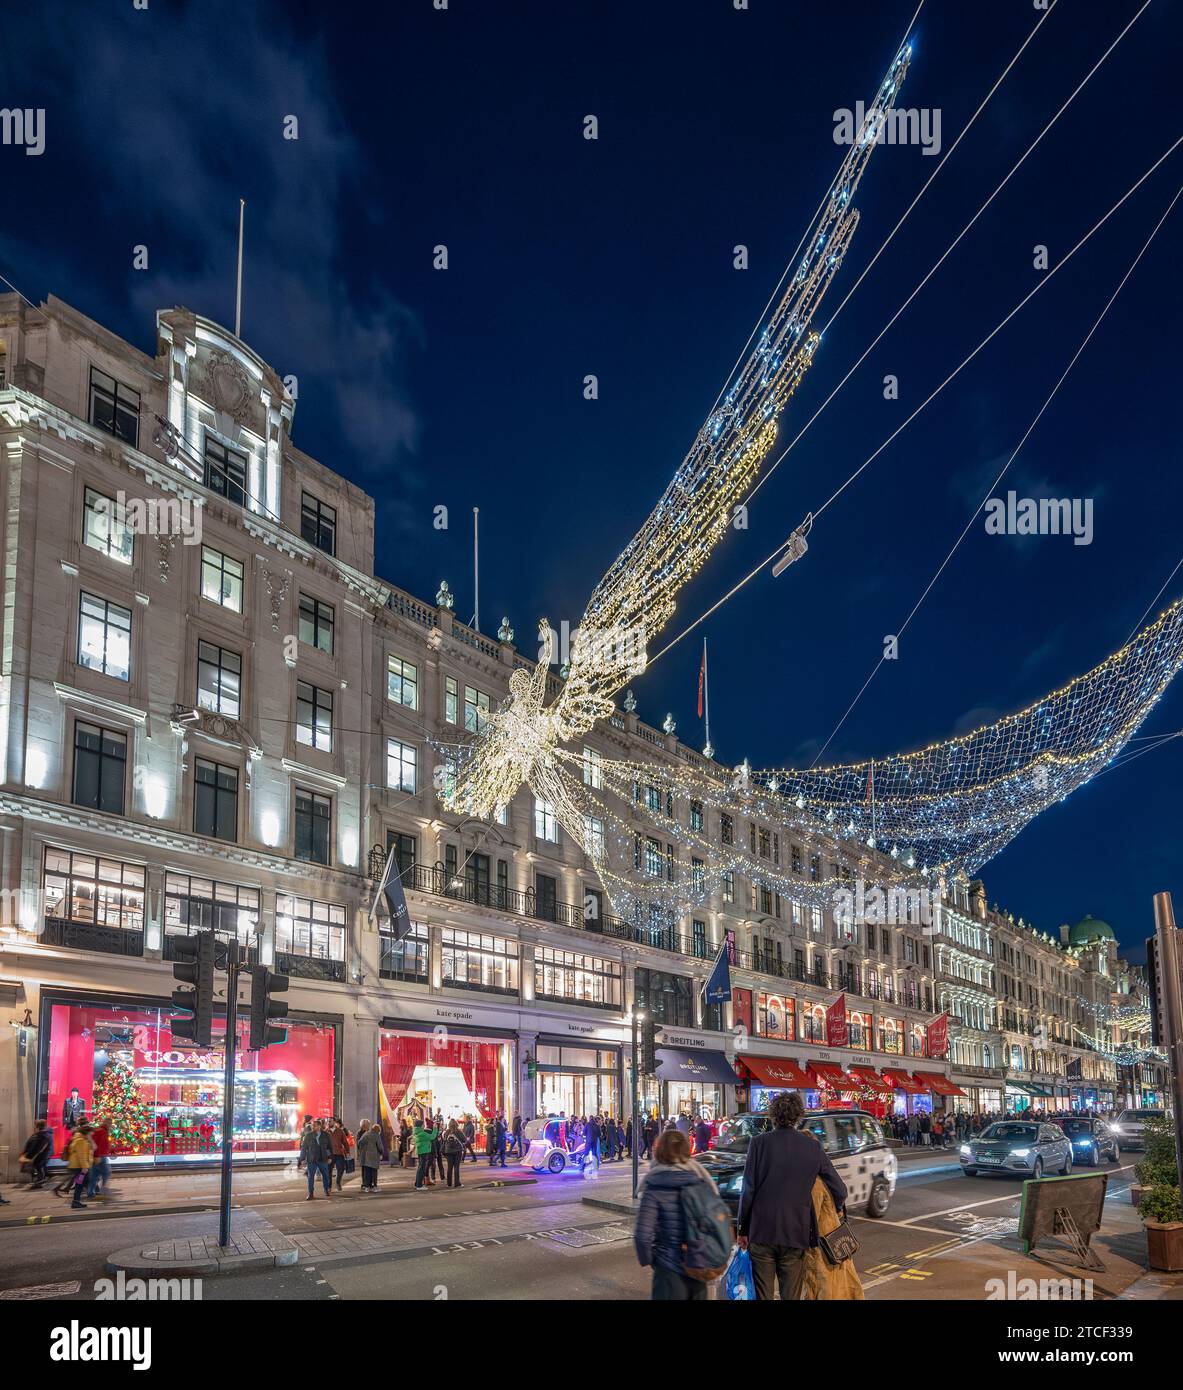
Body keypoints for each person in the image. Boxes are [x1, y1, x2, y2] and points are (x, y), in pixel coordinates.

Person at [737, 1090, 847, 1301]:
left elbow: (748, 1189)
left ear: (773, 1116)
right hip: (795, 1232)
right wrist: (838, 1206)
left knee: (763, 1295)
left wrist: (743, 1228)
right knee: (792, 1294)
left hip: (762, 1231)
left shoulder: (759, 1143)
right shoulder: (812, 1147)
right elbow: (840, 1189)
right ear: (798, 1117)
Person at [633, 1129, 720, 1301]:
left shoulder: (654, 1186)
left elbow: (642, 1236)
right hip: (698, 1266)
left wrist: (652, 1260)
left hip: (668, 1269)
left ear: (660, 1151)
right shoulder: (701, 1180)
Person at [63, 1122, 93, 1210]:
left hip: (76, 1166)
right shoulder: (81, 1141)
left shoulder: (78, 1138)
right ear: (87, 1133)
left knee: (80, 1183)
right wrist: (84, 1167)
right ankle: (76, 1201)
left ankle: (77, 1201)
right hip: (79, 1167)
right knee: (80, 1184)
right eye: (91, 1133)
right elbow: (81, 1155)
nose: (92, 1134)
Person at [301, 1119, 333, 1199]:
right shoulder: (308, 1135)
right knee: (310, 1177)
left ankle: (326, 1190)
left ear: (320, 1126)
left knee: (325, 1176)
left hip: (323, 1159)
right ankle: (311, 1193)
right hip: (312, 1159)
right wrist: (302, 1159)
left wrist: (330, 1157)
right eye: (313, 1126)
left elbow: (329, 1147)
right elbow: (304, 1148)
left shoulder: (326, 1135)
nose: (314, 1127)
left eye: (316, 1125)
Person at [20, 1120, 52, 1190]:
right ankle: (40, 1181)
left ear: (37, 1126)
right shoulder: (46, 1134)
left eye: (36, 1125)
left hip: (39, 1155)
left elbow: (36, 1147)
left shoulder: (40, 1135)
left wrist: (28, 1155)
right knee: (40, 1168)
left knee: (39, 1168)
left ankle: (39, 1182)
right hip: (43, 1155)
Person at [87, 1116, 112, 1199]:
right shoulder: (101, 1131)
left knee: (96, 1175)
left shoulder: (102, 1131)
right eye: (110, 1123)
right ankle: (101, 1190)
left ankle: (92, 1192)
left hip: (100, 1156)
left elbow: (103, 1144)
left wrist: (110, 1150)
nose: (111, 1125)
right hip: (100, 1156)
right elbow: (97, 1144)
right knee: (105, 1173)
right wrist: (97, 1155)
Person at [357, 1119, 382, 1193]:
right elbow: (380, 1146)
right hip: (374, 1156)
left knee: (366, 1172)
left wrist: (362, 1150)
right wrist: (381, 1152)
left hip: (365, 1156)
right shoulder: (376, 1135)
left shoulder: (366, 1134)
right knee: (374, 1172)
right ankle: (374, 1186)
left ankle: (366, 1187)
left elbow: (359, 1143)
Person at [413, 1117, 436, 1190]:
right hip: (424, 1151)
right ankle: (419, 1185)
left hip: (420, 1150)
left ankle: (417, 1183)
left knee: (420, 1167)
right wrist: (435, 1129)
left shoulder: (416, 1132)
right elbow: (432, 1137)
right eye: (423, 1125)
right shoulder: (422, 1133)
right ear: (420, 1126)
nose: (424, 1126)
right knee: (422, 1168)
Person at [443, 1119, 465, 1187]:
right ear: (456, 1124)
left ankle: (449, 1183)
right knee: (456, 1167)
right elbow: (464, 1139)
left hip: (448, 1151)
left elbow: (444, 1139)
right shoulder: (458, 1131)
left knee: (449, 1167)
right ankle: (457, 1183)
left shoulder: (447, 1132)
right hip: (457, 1151)